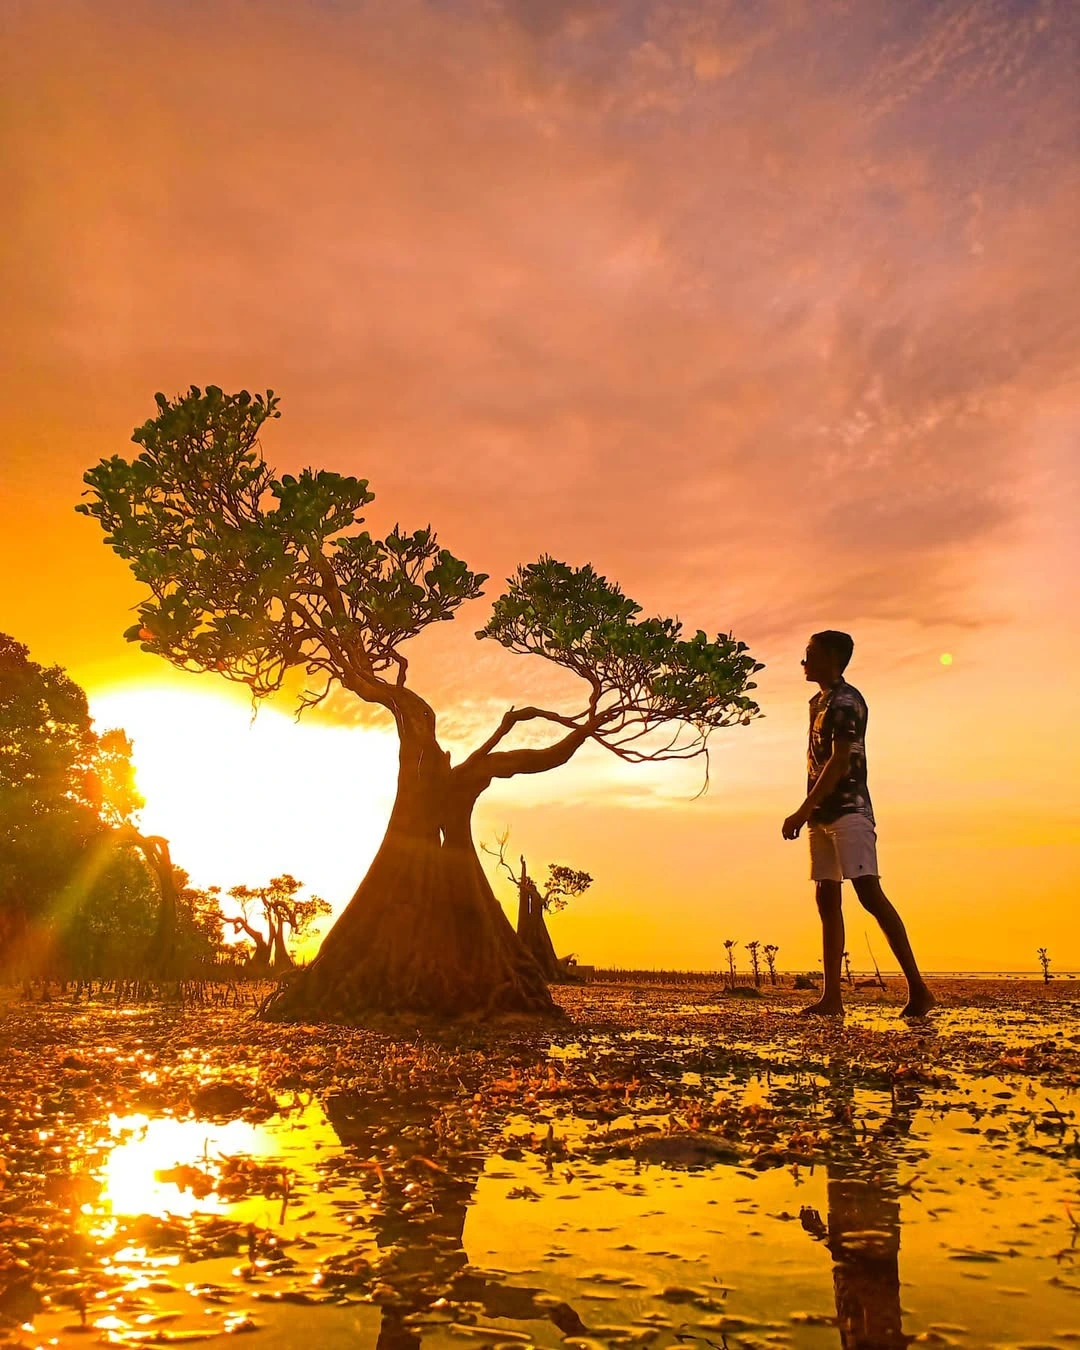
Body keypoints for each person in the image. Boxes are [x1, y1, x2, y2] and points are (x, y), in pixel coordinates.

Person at [781, 630, 935, 1018]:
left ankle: (918, 988)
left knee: (869, 893)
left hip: (850, 811)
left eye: (810, 654)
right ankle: (832, 997)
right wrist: (811, 811)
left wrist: (802, 809)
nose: (804, 661)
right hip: (822, 815)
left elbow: (840, 761)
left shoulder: (848, 701)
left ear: (831, 658)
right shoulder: (817, 701)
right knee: (826, 897)